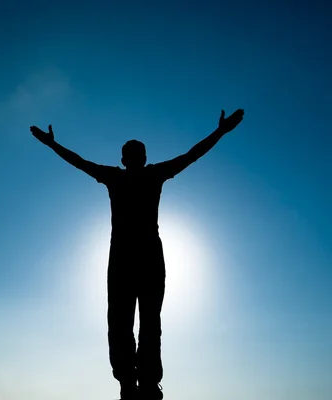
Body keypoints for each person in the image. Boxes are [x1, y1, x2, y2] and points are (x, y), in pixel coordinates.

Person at [29, 109, 244, 400]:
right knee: (126, 323)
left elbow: (190, 155)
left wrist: (220, 133)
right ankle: (130, 384)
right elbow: (80, 162)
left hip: (140, 258)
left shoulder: (140, 175)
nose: (134, 159)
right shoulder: (128, 176)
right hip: (128, 259)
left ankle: (145, 383)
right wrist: (52, 145)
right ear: (129, 159)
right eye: (132, 154)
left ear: (138, 158)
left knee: (144, 322)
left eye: (136, 154)